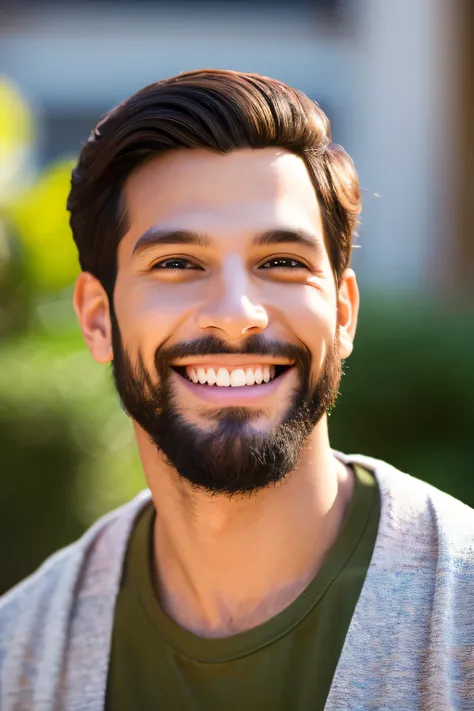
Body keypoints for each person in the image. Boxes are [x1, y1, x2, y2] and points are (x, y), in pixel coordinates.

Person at [0, 69, 473, 711]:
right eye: (176, 264)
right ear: (97, 318)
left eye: (282, 262)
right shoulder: (19, 657)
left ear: (343, 314)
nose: (235, 312)